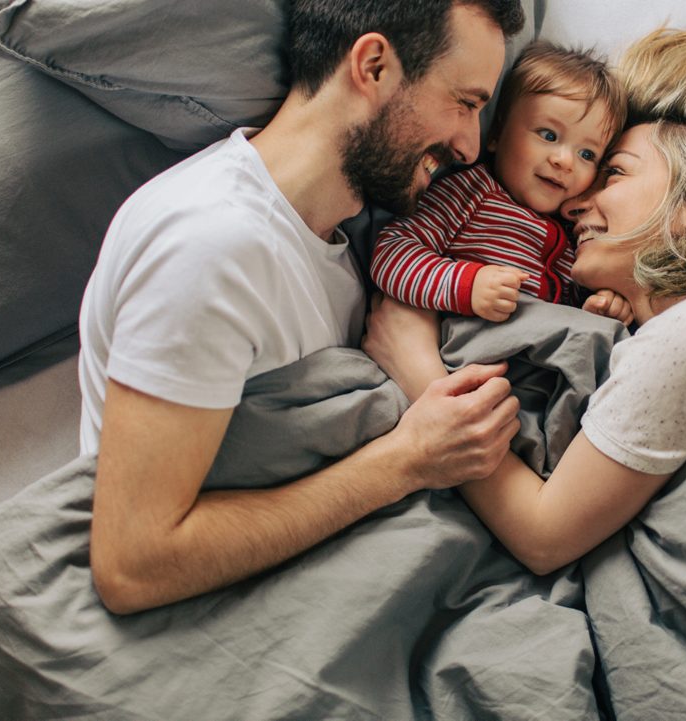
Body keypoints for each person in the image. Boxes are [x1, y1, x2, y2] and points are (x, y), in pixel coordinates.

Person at [363, 6, 686, 575]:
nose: (576, 199)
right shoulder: (678, 329)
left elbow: (542, 536)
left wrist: (416, 368)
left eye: (610, 172)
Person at [75, 0, 527, 615]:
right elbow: (134, 564)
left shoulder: (349, 236)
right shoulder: (210, 247)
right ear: (372, 66)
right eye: (466, 103)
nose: (472, 146)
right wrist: (408, 461)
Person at [371, 41, 635, 324]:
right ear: (496, 133)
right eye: (548, 135)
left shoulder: (575, 228)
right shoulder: (470, 193)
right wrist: (469, 285)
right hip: (462, 339)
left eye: (587, 154)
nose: (565, 161)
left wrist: (601, 306)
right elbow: (391, 252)